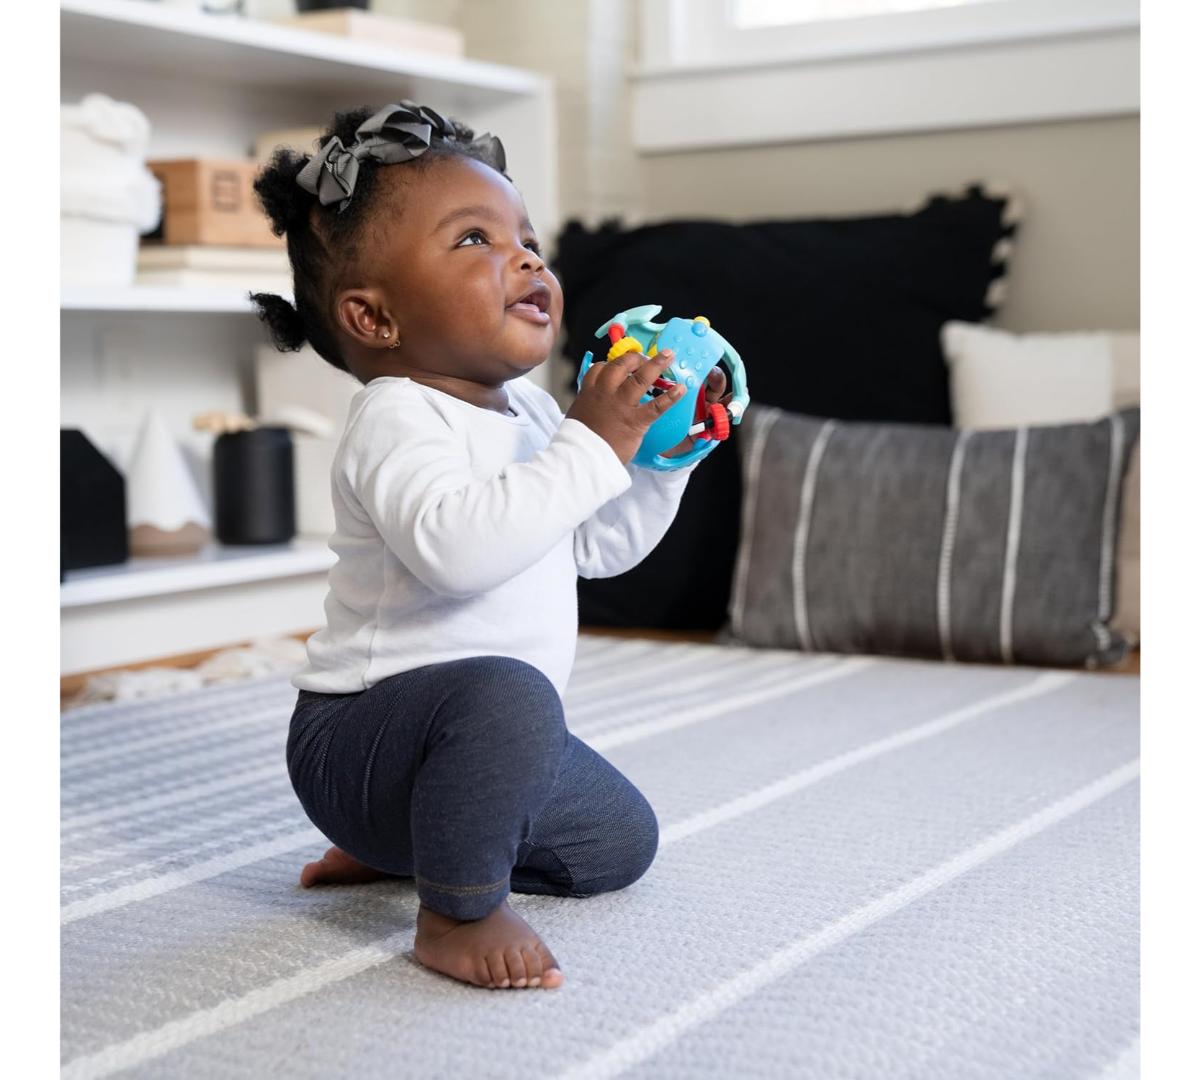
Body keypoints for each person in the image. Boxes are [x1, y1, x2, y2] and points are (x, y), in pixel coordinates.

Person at [250, 101, 729, 991]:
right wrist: (593, 442)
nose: (527, 258)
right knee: (510, 694)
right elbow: (457, 552)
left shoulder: (539, 413)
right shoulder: (396, 415)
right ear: (375, 318)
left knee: (619, 841)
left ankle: (421, 844)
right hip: (359, 745)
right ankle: (456, 912)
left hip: (475, 745)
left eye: (528, 239)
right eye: (476, 239)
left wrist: (661, 459)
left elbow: (599, 546)